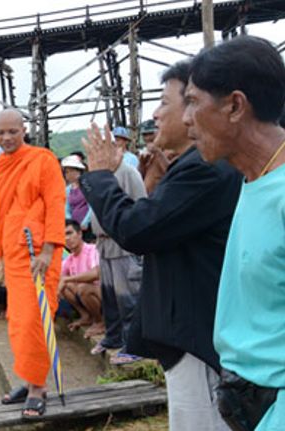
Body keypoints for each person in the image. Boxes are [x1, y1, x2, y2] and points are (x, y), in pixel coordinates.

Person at [81, 59, 242, 430]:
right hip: (190, 335)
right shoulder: (191, 166)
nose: (154, 114)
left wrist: (102, 177)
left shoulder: (205, 169)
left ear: (194, 109)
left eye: (164, 103)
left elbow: (138, 229)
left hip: (197, 337)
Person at [183, 36, 285, 431]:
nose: (186, 117)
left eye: (192, 101)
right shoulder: (252, 177)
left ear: (235, 106)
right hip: (248, 402)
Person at [0, 108, 66, 420]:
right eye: (0, 133)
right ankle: (29, 379)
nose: (7, 138)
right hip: (14, 253)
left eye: (12, 132)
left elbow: (55, 203)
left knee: (36, 318)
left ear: (24, 130)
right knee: (19, 321)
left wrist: (49, 250)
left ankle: (37, 389)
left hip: (39, 255)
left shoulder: (42, 159)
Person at [84, 135, 147, 366]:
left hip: (122, 244)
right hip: (103, 243)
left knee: (128, 296)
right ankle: (112, 338)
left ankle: (134, 346)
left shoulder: (128, 173)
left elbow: (139, 206)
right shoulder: (101, 175)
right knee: (109, 295)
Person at [59, 220, 102, 338]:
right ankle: (86, 316)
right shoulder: (69, 259)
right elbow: (60, 281)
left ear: (79, 234)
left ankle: (100, 322)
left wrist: (68, 279)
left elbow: (96, 274)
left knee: (82, 287)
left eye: (69, 233)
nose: (66, 238)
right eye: (63, 235)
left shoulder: (93, 249)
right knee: (65, 285)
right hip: (87, 297)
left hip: (105, 297)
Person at [137, 119, 174, 194]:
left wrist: (157, 152)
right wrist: (142, 164)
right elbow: (139, 177)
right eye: (144, 135)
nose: (147, 138)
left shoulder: (170, 150)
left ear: (159, 132)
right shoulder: (145, 153)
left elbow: (173, 173)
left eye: (150, 133)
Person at [61, 155, 93, 240]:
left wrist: (85, 222)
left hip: (87, 227)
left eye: (71, 171)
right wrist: (70, 223)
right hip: (74, 228)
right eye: (66, 172)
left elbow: (92, 206)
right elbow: (66, 207)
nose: (68, 174)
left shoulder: (87, 186)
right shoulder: (68, 190)